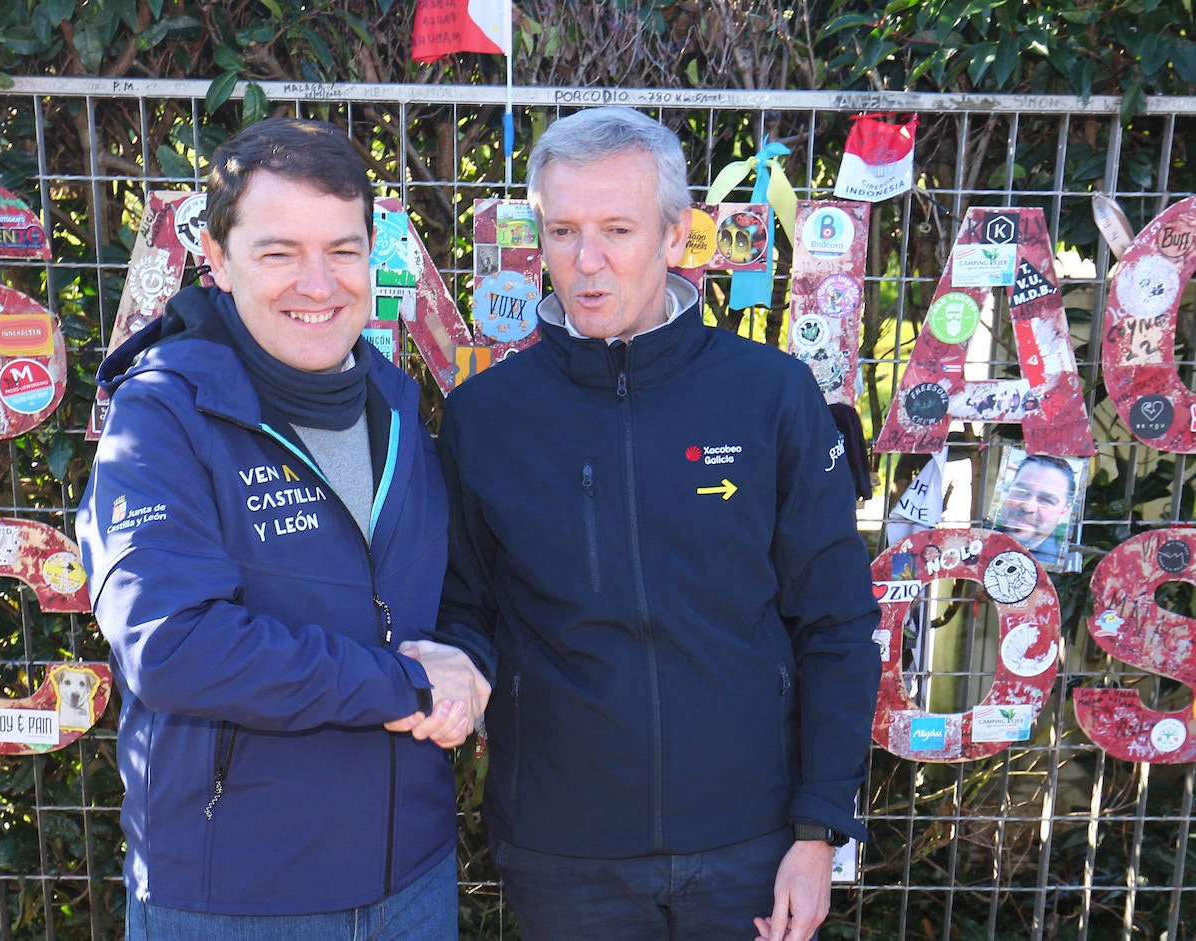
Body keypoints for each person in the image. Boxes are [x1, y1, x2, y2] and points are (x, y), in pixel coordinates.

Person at [433, 106, 882, 941]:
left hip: (752, 844)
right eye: (563, 230)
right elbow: (464, 613)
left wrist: (819, 830)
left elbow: (836, 623)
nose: (587, 260)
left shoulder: (770, 396)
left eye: (616, 228)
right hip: (564, 856)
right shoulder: (485, 417)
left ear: (677, 235)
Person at [76, 116, 489, 940]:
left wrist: (470, 664)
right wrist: (404, 685)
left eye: (342, 250)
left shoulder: (396, 403)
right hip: (236, 897)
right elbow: (172, 645)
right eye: (278, 252)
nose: (318, 282)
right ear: (219, 262)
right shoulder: (160, 419)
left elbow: (449, 593)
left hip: (412, 881)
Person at [991, 454, 1076, 566]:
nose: (1028, 507)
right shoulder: (976, 542)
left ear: (1063, 513)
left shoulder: (1064, 571)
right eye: (1021, 492)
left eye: (1046, 500)